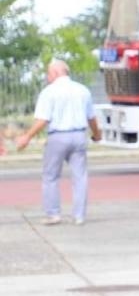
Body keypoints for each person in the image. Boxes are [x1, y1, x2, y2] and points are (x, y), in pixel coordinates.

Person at [16, 59, 102, 225]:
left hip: (58, 137)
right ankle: (79, 216)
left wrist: (27, 136)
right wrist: (96, 134)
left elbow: (43, 119)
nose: (47, 77)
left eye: (48, 74)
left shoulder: (49, 92)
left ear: (55, 73)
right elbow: (91, 117)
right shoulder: (82, 90)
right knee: (80, 176)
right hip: (79, 136)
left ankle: (53, 214)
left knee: (50, 176)